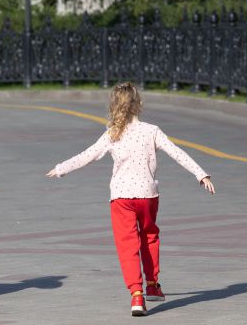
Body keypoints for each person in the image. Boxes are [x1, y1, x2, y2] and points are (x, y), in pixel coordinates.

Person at [46, 82, 215, 317]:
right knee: (149, 236)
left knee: (127, 244)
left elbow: (87, 155)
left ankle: (137, 295)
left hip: (121, 198)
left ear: (114, 106)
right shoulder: (152, 130)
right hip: (147, 196)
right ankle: (153, 285)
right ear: (139, 104)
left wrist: (61, 168)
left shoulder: (112, 134)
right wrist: (200, 174)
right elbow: (177, 152)